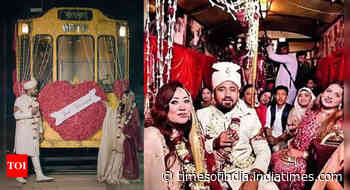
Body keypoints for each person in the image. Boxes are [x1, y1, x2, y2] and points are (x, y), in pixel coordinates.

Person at [197, 62, 278, 190]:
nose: (228, 94)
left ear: (238, 91)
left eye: (232, 89)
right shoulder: (201, 116)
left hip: (247, 173)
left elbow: (263, 150)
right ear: (214, 92)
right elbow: (195, 150)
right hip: (212, 175)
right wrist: (215, 143)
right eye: (221, 89)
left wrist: (253, 179)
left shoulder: (249, 114)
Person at [270, 83, 344, 190]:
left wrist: (303, 154)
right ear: (322, 93)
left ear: (341, 102)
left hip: (310, 167)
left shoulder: (338, 124)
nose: (330, 96)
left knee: (283, 168)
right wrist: (295, 133)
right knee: (275, 156)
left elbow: (328, 159)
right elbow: (303, 135)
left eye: (336, 95)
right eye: (328, 91)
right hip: (293, 151)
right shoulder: (313, 112)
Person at [144, 82, 212, 190]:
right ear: (163, 107)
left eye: (186, 101)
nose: (183, 107)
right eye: (174, 102)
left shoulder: (185, 138)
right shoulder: (153, 136)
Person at [13, 78, 54, 184]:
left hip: (33, 131)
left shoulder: (35, 101)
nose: (37, 91)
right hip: (23, 131)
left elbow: (39, 117)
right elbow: (16, 115)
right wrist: (30, 113)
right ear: (29, 89)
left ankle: (39, 175)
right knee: (21, 152)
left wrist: (40, 131)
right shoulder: (19, 100)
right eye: (35, 89)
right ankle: (18, 176)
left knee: (35, 153)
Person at [97, 90, 142, 184]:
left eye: (125, 98)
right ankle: (112, 174)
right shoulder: (120, 107)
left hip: (127, 137)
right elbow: (114, 116)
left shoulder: (134, 110)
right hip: (118, 133)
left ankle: (119, 175)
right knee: (115, 153)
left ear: (130, 99)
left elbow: (136, 125)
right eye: (122, 98)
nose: (123, 100)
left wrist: (125, 135)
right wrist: (108, 108)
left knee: (121, 155)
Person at [265, 85, 293, 152]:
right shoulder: (271, 108)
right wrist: (269, 136)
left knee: (276, 149)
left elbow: (289, 132)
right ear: (274, 96)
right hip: (272, 136)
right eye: (278, 94)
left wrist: (277, 140)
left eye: (283, 94)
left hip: (284, 139)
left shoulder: (291, 109)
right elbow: (267, 125)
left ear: (286, 96)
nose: (280, 97)